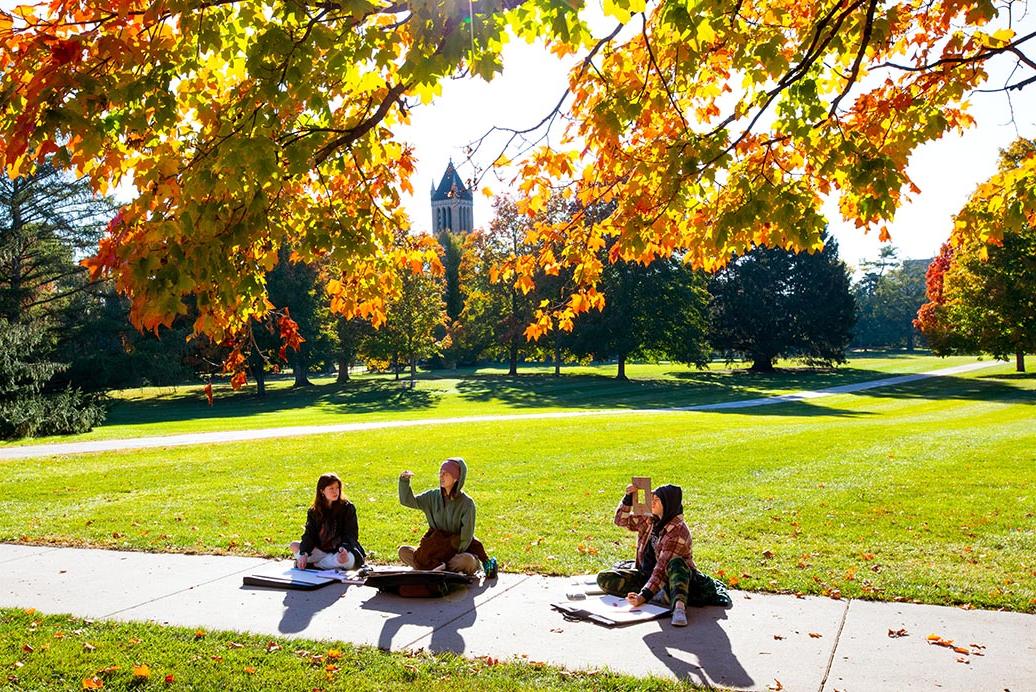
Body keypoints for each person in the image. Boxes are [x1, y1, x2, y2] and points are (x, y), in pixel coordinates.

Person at [597, 483, 694, 627]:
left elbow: (661, 569)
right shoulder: (650, 519)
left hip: (673, 579)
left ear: (667, 504)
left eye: (657, 500)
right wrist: (628, 498)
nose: (652, 502)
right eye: (652, 498)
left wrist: (642, 597)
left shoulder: (677, 532)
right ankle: (656, 594)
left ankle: (678, 607)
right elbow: (620, 520)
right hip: (647, 576)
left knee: (676, 564)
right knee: (605, 578)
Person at [397, 457, 489, 575]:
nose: (441, 476)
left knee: (468, 561)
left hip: (455, 551)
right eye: (440, 473)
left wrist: (447, 553)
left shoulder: (467, 504)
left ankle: (432, 567)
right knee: (403, 551)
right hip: (435, 549)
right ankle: (437, 568)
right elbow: (408, 501)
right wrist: (404, 481)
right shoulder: (432, 496)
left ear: (456, 478)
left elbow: (466, 537)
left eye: (446, 473)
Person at [290, 472, 366, 571]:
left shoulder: (347, 508)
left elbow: (351, 534)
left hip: (341, 551)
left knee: (345, 560)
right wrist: (304, 553)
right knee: (294, 546)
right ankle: (326, 563)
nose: (336, 492)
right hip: (321, 550)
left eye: (337, 488)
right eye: (331, 488)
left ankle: (316, 565)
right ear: (322, 491)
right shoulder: (314, 511)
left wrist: (344, 548)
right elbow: (310, 534)